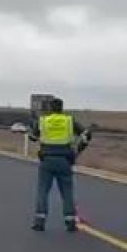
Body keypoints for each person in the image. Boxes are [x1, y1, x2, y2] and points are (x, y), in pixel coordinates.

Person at [27, 97, 91, 232]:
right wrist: (77, 151)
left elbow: (33, 137)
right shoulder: (69, 121)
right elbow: (86, 135)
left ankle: (40, 221)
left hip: (47, 160)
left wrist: (33, 125)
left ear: (50, 108)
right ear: (62, 108)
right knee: (67, 191)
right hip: (64, 160)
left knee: (43, 191)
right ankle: (70, 221)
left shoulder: (43, 121)